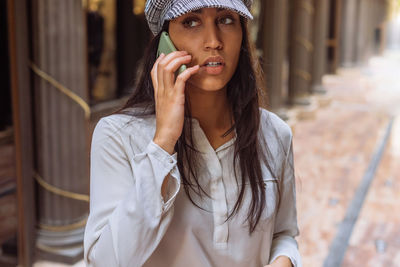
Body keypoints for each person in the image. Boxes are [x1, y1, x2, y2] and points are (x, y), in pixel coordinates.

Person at [83, 0, 302, 266]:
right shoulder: (117, 136)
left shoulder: (275, 133)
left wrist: (285, 259)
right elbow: (106, 261)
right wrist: (163, 143)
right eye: (191, 22)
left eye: (226, 20)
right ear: (164, 41)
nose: (213, 41)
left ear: (243, 34)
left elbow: (284, 233)